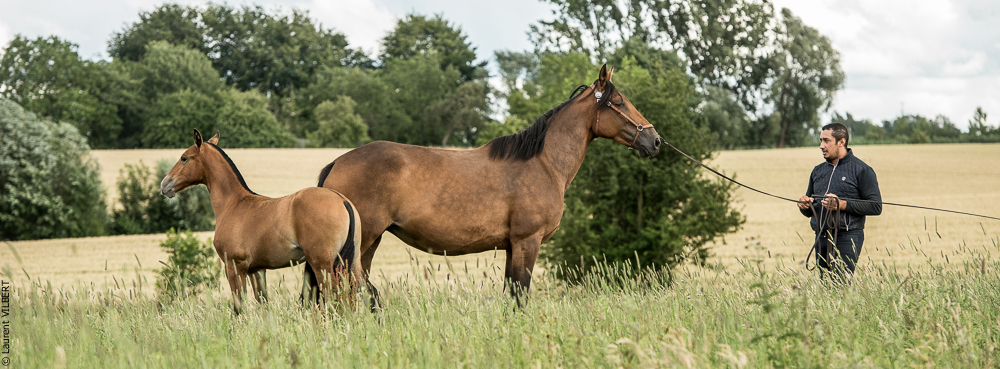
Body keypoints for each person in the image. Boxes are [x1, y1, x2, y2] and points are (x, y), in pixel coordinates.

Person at [797, 123, 882, 279]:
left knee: (840, 286)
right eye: (821, 140)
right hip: (821, 236)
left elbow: (875, 206)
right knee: (825, 289)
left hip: (848, 236)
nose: (821, 145)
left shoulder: (862, 170)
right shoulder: (818, 171)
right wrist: (804, 206)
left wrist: (841, 204)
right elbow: (811, 209)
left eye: (826, 140)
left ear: (841, 142)